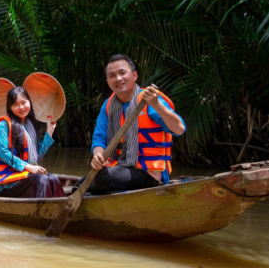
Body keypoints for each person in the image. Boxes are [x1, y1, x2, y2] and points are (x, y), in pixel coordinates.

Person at [76, 54, 186, 195]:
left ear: (134, 76)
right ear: (108, 81)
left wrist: (157, 104)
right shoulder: (109, 105)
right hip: (118, 167)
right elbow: (99, 138)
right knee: (79, 186)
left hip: (148, 173)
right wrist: (98, 156)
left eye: (122, 73)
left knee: (103, 178)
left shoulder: (149, 100)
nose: (118, 79)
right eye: (112, 75)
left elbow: (179, 129)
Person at [0, 87, 65, 198]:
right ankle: (42, 212)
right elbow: (3, 153)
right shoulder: (3, 125)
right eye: (16, 104)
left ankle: (61, 207)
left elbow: (38, 155)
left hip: (25, 176)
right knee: (42, 179)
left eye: (23, 102)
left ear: (29, 102)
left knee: (53, 178)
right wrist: (28, 167)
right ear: (10, 108)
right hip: (7, 182)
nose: (21, 107)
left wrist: (50, 131)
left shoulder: (31, 125)